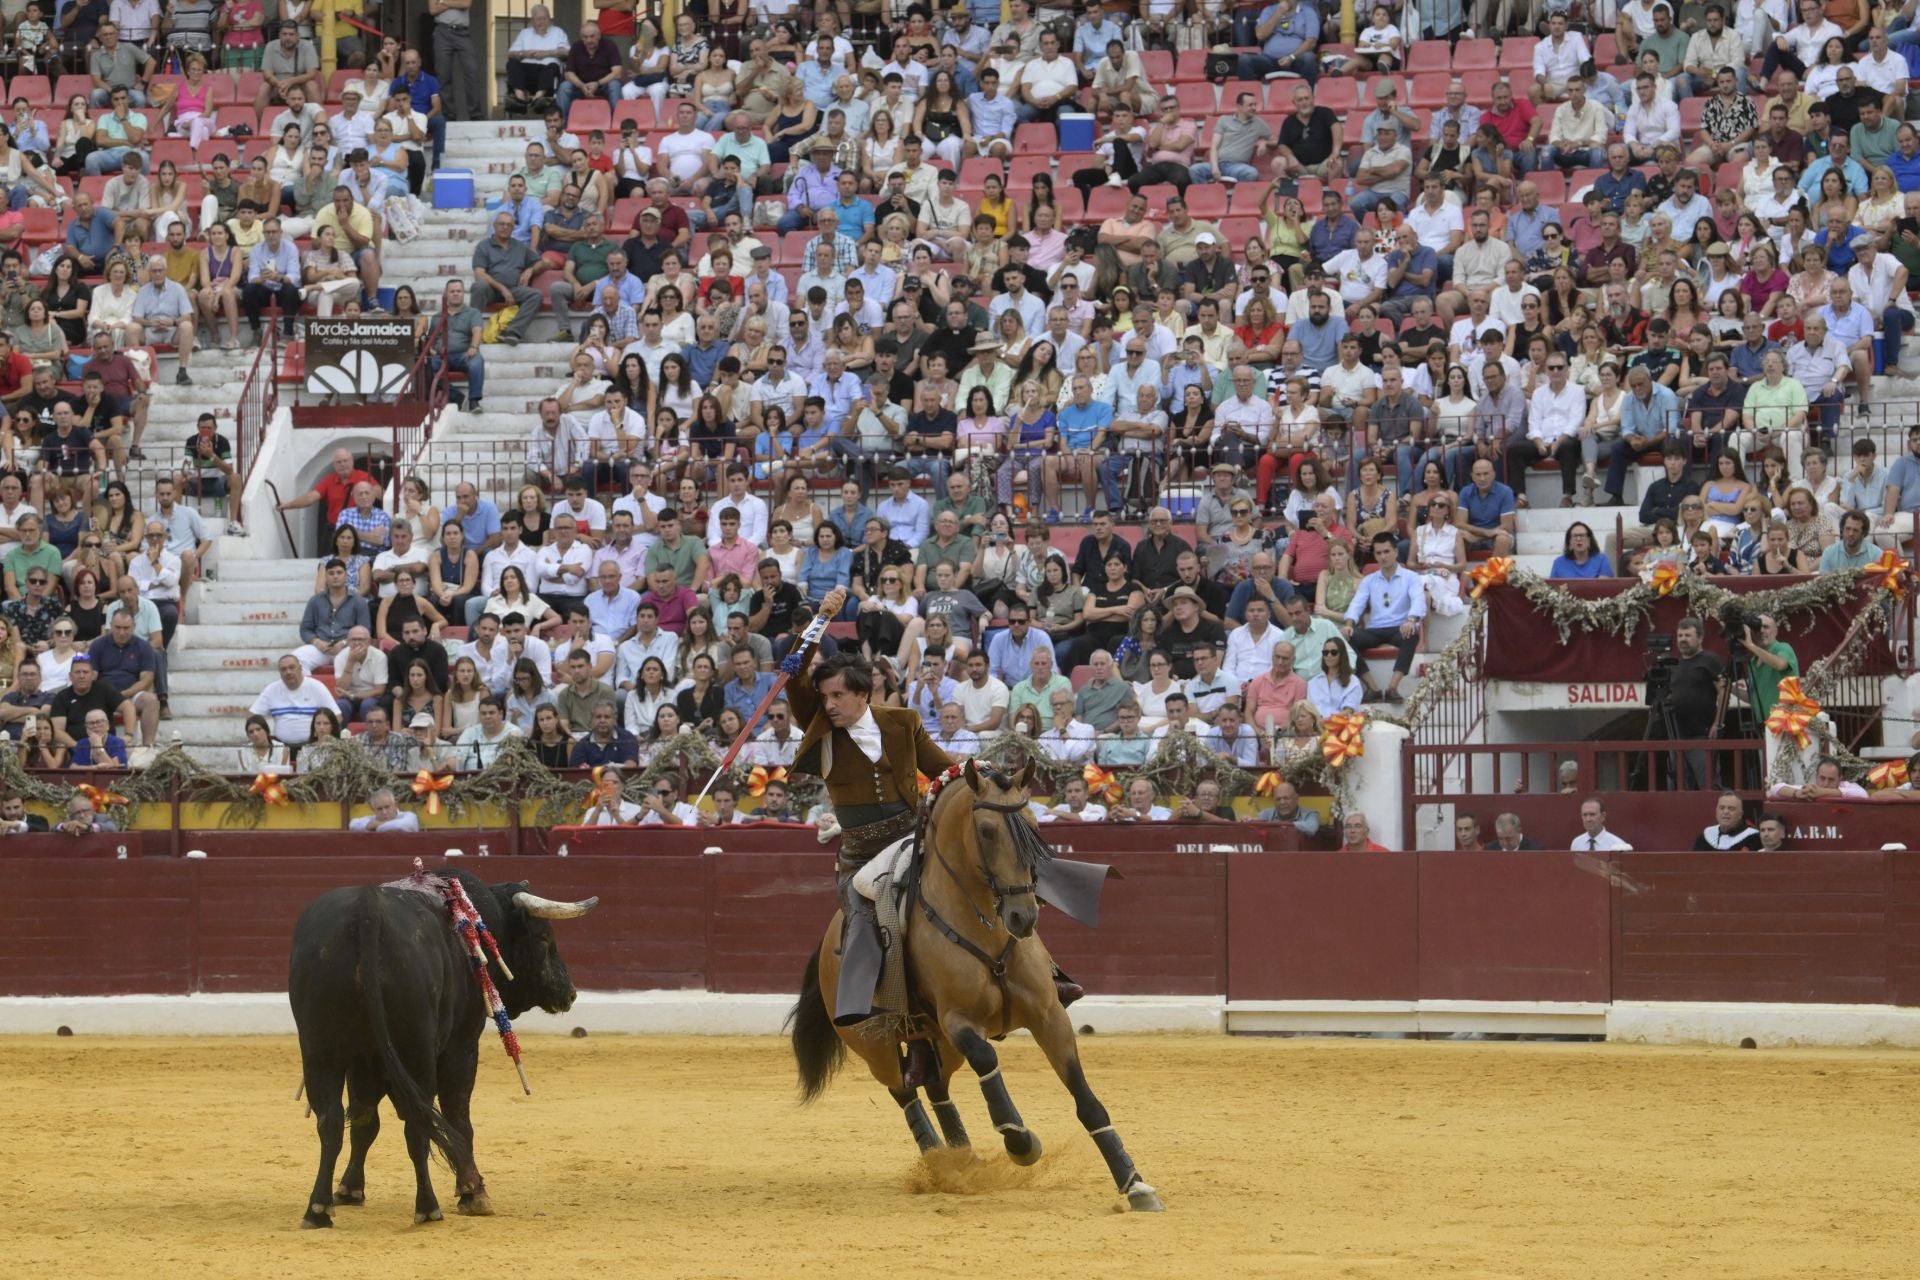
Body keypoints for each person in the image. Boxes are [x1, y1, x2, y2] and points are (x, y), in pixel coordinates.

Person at [1342, 532, 1425, 703]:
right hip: (1375, 629)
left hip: (1399, 627)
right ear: (1374, 555)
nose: (1383, 557)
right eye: (1378, 553)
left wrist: (1411, 620)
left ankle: (1392, 688)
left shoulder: (1411, 577)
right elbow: (1357, 603)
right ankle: (1372, 688)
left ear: (1396, 552)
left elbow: (1418, 600)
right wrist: (1349, 623)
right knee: (1345, 638)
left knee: (1411, 634)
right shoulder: (1368, 580)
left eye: (1387, 551)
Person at [1663, 616, 1725, 789]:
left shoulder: (1710, 660)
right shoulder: (1674, 665)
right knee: (1679, 787)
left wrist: (1718, 723)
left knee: (1708, 784)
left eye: (1687, 635)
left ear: (1700, 638)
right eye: (1680, 635)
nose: (1683, 639)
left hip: (1702, 734)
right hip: (1677, 736)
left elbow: (1723, 691)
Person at [1769, 756, 1870, 801]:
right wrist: (1797, 793)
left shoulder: (1848, 787)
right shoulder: (1810, 790)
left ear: (1840, 779)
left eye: (1831, 780)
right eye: (1822, 778)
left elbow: (1863, 795)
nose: (1825, 784)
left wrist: (1822, 792)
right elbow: (1775, 788)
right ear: (1816, 777)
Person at [1695, 792, 1761, 849]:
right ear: (1716, 812)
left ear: (1740, 814)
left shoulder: (1754, 838)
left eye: (1731, 808)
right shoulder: (1705, 837)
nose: (1725, 812)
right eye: (1722, 808)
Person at [348, 787, 422, 833]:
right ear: (373, 810)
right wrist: (368, 826)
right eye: (379, 809)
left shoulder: (408, 816)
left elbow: (402, 826)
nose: (384, 812)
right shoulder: (372, 819)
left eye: (387, 807)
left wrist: (377, 825)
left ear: (395, 805)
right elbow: (353, 824)